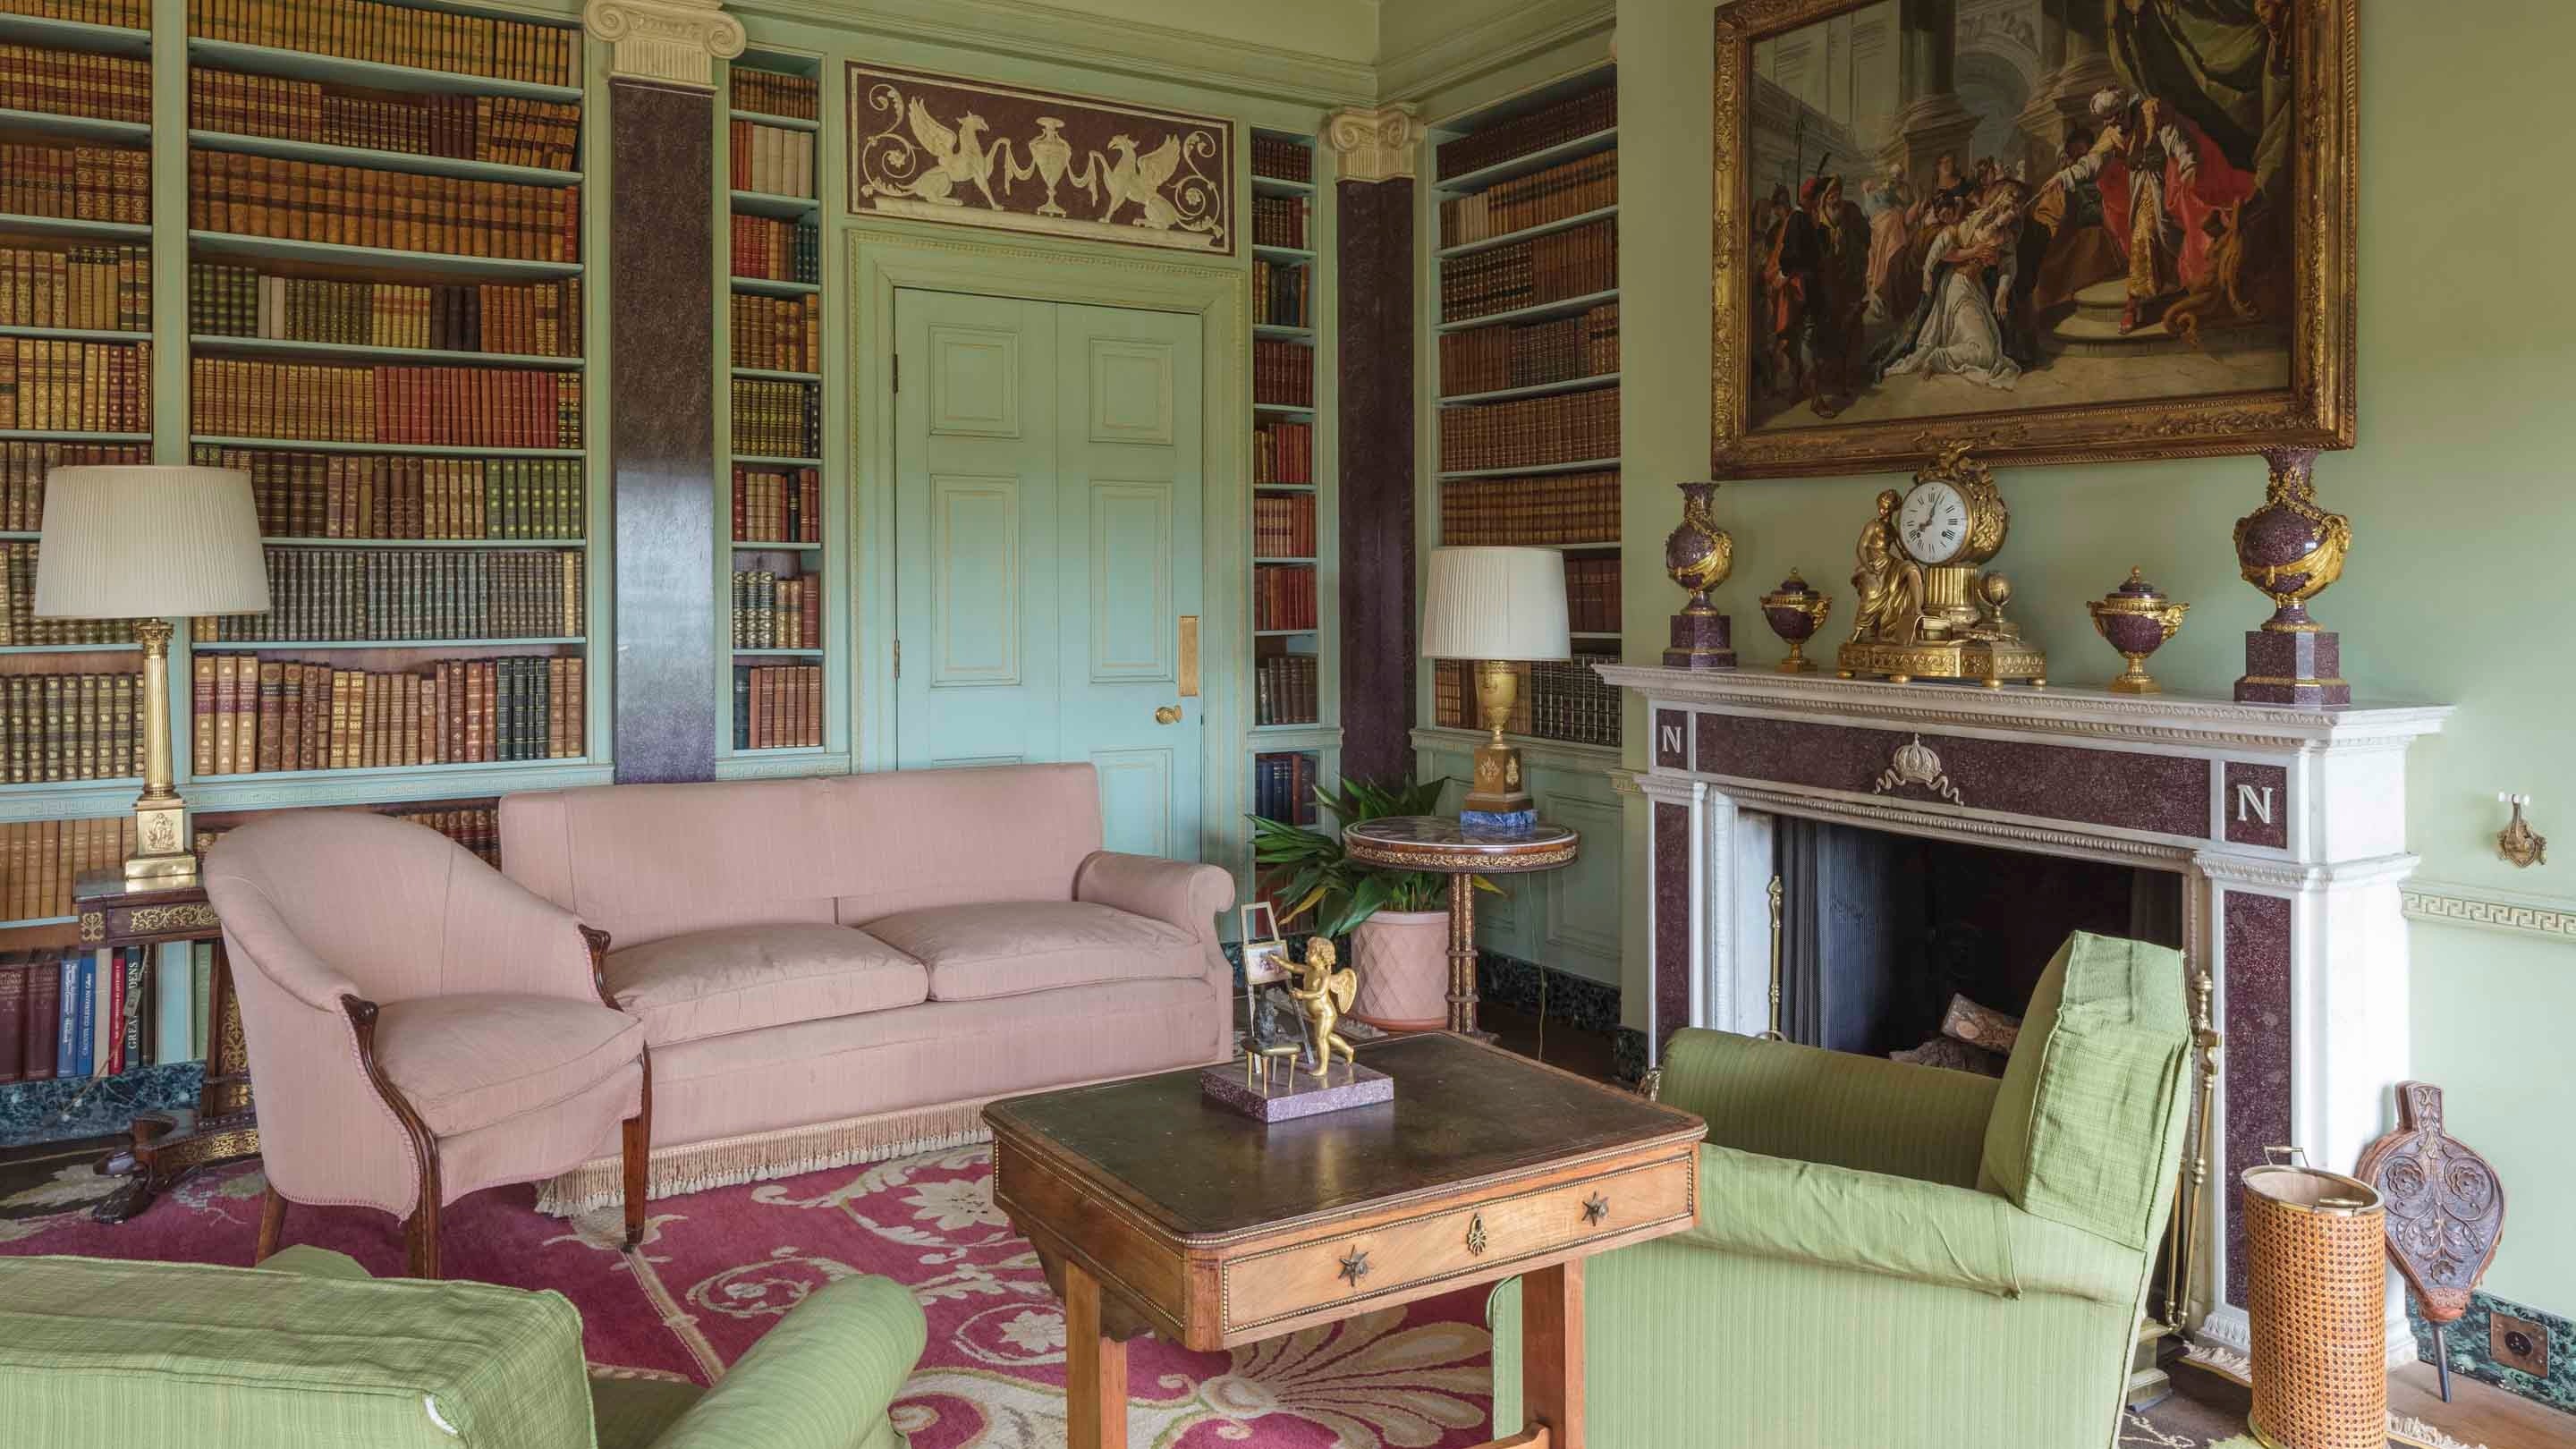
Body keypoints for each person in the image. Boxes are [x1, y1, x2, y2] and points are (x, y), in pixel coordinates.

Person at [2043, 87, 2256, 334]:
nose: (2114, 123)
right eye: (2107, 120)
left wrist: (2187, 163)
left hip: (2170, 180)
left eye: (2117, 116)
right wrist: (2065, 176)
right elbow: (2093, 161)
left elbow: (2175, 137)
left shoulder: (2150, 113)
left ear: (2125, 108)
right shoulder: (2112, 133)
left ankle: (2179, 287)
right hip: (2143, 188)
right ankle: (2134, 303)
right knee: (2144, 234)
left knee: (2171, 235)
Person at [1870, 190, 2024, 392]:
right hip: (1957, 289)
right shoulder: (1969, 225)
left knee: (1991, 351)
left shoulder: (2005, 237)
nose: (2008, 214)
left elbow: (2009, 266)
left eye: (2012, 211)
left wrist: (2002, 292)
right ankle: (1938, 357)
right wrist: (1928, 272)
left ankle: (1940, 355)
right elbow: (1938, 252)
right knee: (1981, 351)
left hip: (1977, 291)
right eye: (2006, 210)